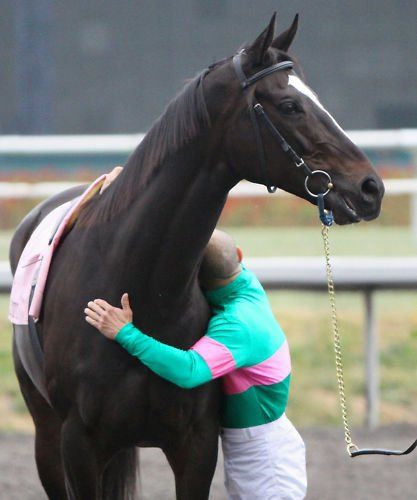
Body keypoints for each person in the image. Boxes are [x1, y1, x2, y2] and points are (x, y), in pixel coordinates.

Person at [85, 229, 307, 500]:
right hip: (259, 447)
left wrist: (125, 333)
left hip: (264, 458)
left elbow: (189, 370)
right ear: (239, 256)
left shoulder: (238, 326)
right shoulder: (245, 281)